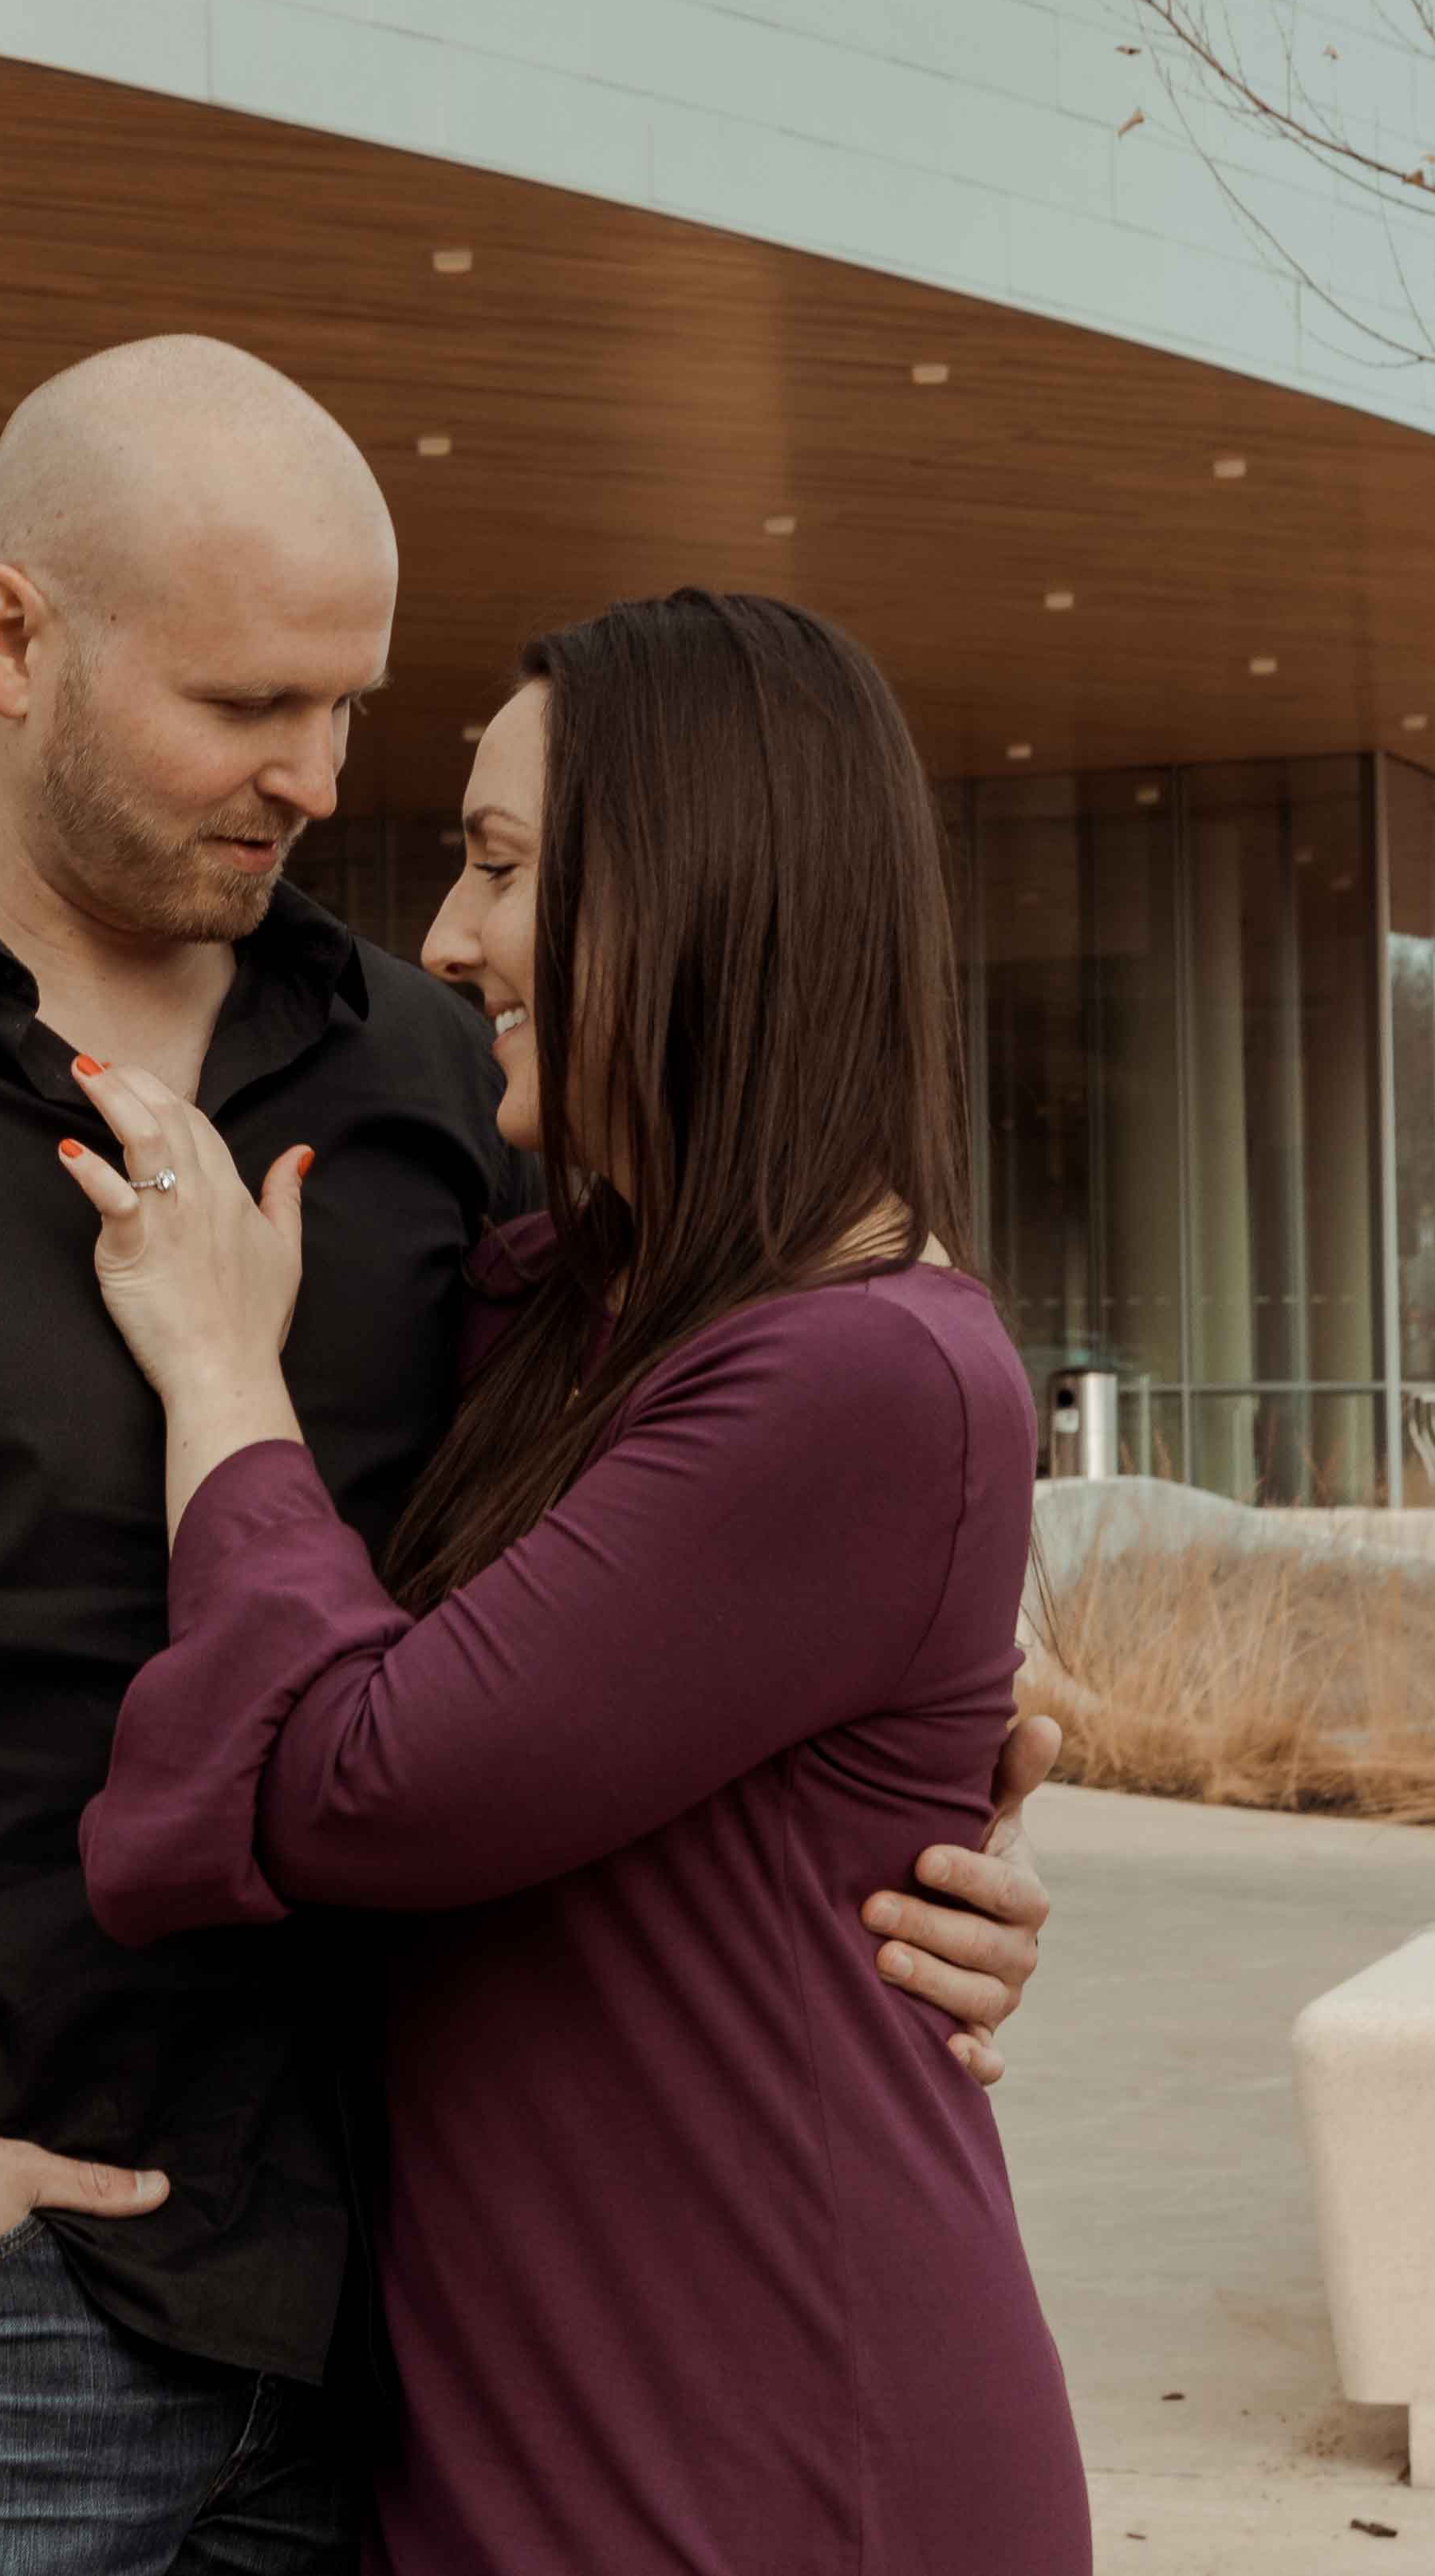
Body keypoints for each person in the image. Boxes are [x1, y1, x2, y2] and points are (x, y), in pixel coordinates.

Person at [0, 339, 1059, 2573]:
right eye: (246, 707)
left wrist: (952, 1767)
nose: (312, 778)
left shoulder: (443, 1075)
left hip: (424, 2338)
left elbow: (696, 1492)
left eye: (344, 709)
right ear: (14, 635)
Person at [65, 590, 1090, 2574]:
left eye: (501, 865)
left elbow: (360, 1781)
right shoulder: (580, 1311)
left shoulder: (858, 1368)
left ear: (705, 895)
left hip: (766, 2453)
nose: (444, 938)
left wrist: (215, 1373)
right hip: (544, 2429)